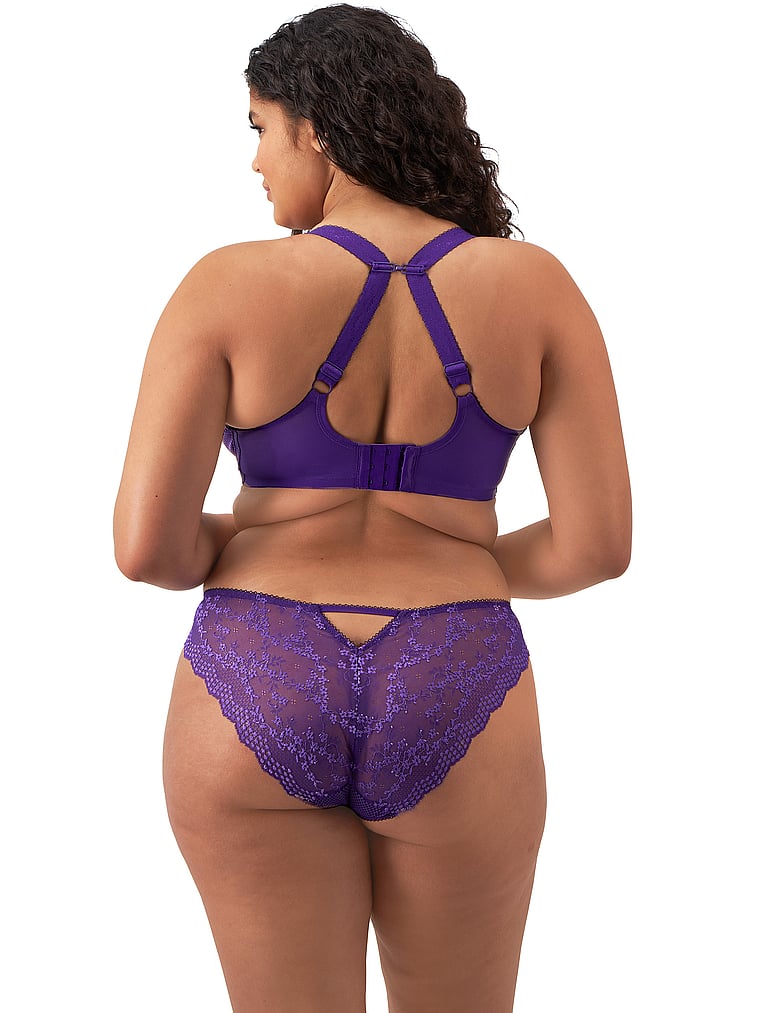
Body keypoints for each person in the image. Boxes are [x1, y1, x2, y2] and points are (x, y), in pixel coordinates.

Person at [113, 5, 631, 1010]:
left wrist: (263, 537)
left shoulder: (225, 284)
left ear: (316, 126)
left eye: (260, 128)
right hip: (457, 665)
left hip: (255, 664)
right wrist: (449, 556)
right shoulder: (535, 285)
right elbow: (597, 546)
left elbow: (148, 549)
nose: (255, 161)